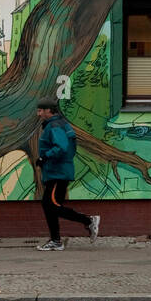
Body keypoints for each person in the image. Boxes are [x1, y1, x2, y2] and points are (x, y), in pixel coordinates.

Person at [36, 101, 99, 251]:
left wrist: (44, 158)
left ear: (49, 111)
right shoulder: (59, 123)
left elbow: (61, 147)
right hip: (58, 171)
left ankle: (88, 220)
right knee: (50, 206)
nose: (38, 114)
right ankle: (56, 241)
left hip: (57, 172)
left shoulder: (54, 126)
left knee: (50, 205)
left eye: (40, 111)